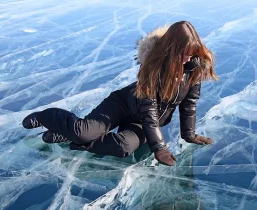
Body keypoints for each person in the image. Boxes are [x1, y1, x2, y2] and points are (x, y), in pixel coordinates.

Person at [22, 21, 218, 166]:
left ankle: (68, 138)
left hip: (142, 121)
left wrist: (189, 135)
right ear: (171, 49)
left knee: (124, 147)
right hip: (122, 105)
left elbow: (189, 105)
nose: (188, 58)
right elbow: (149, 111)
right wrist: (159, 148)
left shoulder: (194, 70)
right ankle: (46, 116)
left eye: (192, 53)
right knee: (84, 132)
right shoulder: (152, 70)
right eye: (184, 53)